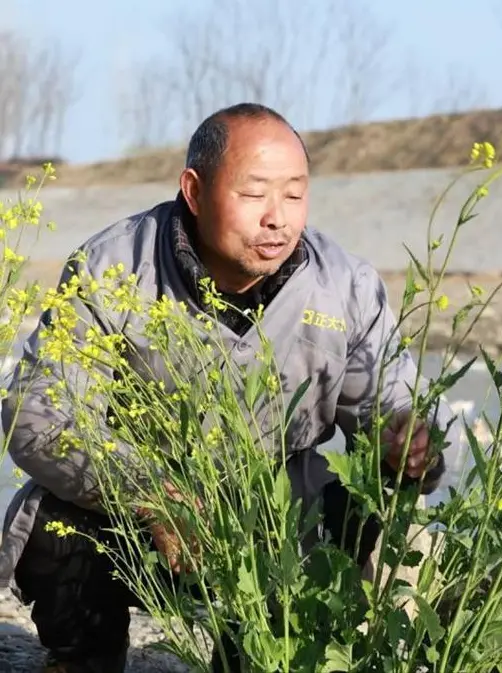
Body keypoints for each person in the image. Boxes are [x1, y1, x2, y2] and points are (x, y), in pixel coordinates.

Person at [0, 103, 454, 673]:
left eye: (294, 194)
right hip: (140, 514)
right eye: (254, 193)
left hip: (275, 517)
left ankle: (258, 656)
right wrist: (148, 493)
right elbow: (38, 414)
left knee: (352, 511)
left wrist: (411, 444)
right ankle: (87, 655)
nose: (277, 218)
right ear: (194, 191)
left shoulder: (344, 285)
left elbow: (392, 405)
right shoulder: (113, 267)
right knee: (54, 523)